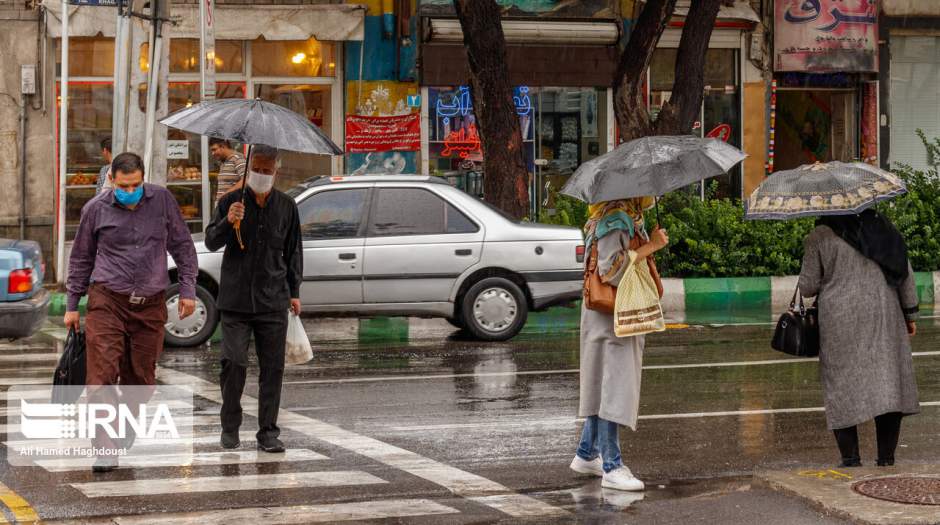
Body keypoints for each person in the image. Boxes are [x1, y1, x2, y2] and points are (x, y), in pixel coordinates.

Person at [65, 152, 198, 472]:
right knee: (101, 377)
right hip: (107, 301)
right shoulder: (95, 209)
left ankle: (124, 422)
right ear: (111, 179)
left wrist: (188, 289)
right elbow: (81, 257)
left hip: (150, 305)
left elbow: (182, 245)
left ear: (143, 178)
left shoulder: (163, 201)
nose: (130, 191)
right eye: (124, 186)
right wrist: (72, 305)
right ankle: (105, 448)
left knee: (141, 379)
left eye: (136, 185)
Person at [798, 209, 919, 468]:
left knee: (841, 385)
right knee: (887, 383)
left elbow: (807, 286)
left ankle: (850, 458)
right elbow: (904, 270)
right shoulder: (883, 228)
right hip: (884, 314)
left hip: (840, 321)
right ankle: (886, 458)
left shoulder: (820, 235)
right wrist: (909, 313)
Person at [204, 144, 302, 453]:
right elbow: (210, 242)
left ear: (276, 171)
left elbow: (293, 251)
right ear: (248, 170)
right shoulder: (231, 202)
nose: (261, 175)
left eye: (266, 170)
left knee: (272, 369)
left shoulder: (287, 206)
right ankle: (230, 426)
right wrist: (227, 221)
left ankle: (268, 432)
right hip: (235, 302)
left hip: (273, 299)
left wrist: (294, 291)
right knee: (233, 363)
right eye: (256, 170)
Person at [570, 198, 668, 492]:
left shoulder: (623, 217)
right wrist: (651, 247)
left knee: (605, 384)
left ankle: (587, 453)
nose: (652, 196)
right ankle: (612, 466)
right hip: (612, 318)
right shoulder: (616, 221)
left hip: (612, 317)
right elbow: (610, 270)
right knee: (613, 386)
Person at [210, 138, 247, 203]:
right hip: (224, 206)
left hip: (233, 208)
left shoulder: (237, 159)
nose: (212, 153)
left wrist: (225, 195)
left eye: (214, 149)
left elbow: (246, 180)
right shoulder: (223, 162)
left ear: (223, 146)